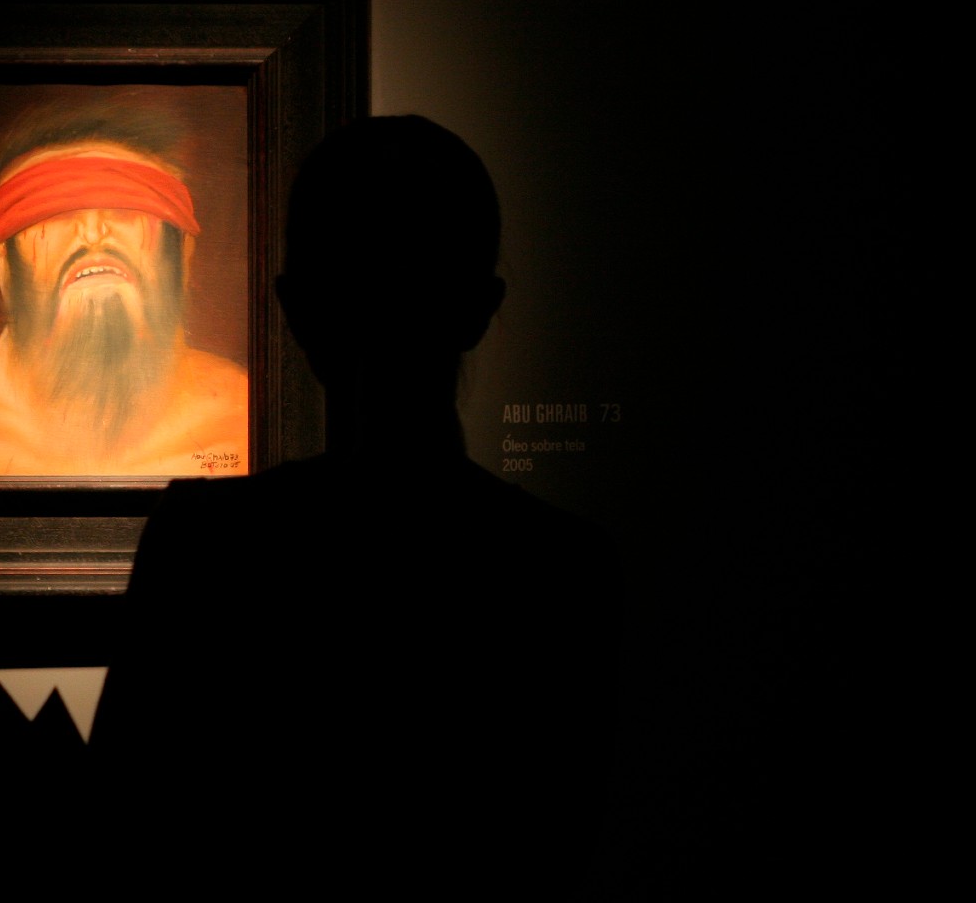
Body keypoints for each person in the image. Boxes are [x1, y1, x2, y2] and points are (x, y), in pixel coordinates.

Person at [86, 115, 622, 894]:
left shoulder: (202, 549)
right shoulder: (567, 572)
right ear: (480, 307)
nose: (392, 299)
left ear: (296, 310)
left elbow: (126, 841)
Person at [0, 108, 249, 476]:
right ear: (4, 261)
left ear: (182, 251)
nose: (92, 234)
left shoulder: (241, 418)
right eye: (55, 211)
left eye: (126, 207)